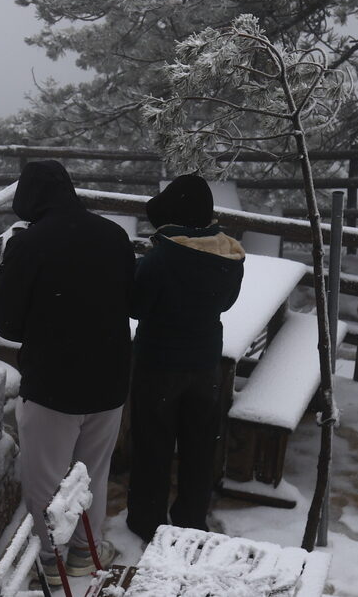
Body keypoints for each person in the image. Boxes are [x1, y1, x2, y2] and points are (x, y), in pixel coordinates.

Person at [0, 160, 136, 582]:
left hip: (53, 383)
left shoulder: (28, 244)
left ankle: (50, 561)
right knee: (91, 474)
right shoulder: (114, 235)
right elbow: (130, 300)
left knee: (47, 479)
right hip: (109, 378)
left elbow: (11, 326)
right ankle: (84, 553)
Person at [125, 173, 245, 544]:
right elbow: (225, 303)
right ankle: (192, 518)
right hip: (206, 363)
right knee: (199, 446)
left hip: (158, 364)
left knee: (152, 445)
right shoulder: (229, 255)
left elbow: (135, 305)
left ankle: (147, 521)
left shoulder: (162, 257)